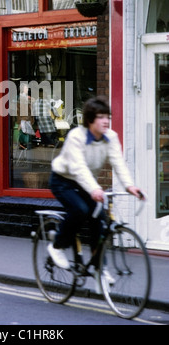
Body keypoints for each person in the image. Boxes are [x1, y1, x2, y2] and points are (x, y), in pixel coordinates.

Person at [48, 96, 144, 288]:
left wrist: (130, 186)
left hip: (85, 183)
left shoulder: (111, 137)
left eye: (107, 116)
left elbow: (119, 163)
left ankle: (100, 268)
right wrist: (94, 189)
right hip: (63, 180)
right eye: (100, 117)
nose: (106, 121)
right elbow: (79, 168)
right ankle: (57, 245)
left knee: (99, 219)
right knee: (80, 210)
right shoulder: (77, 136)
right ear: (90, 120)